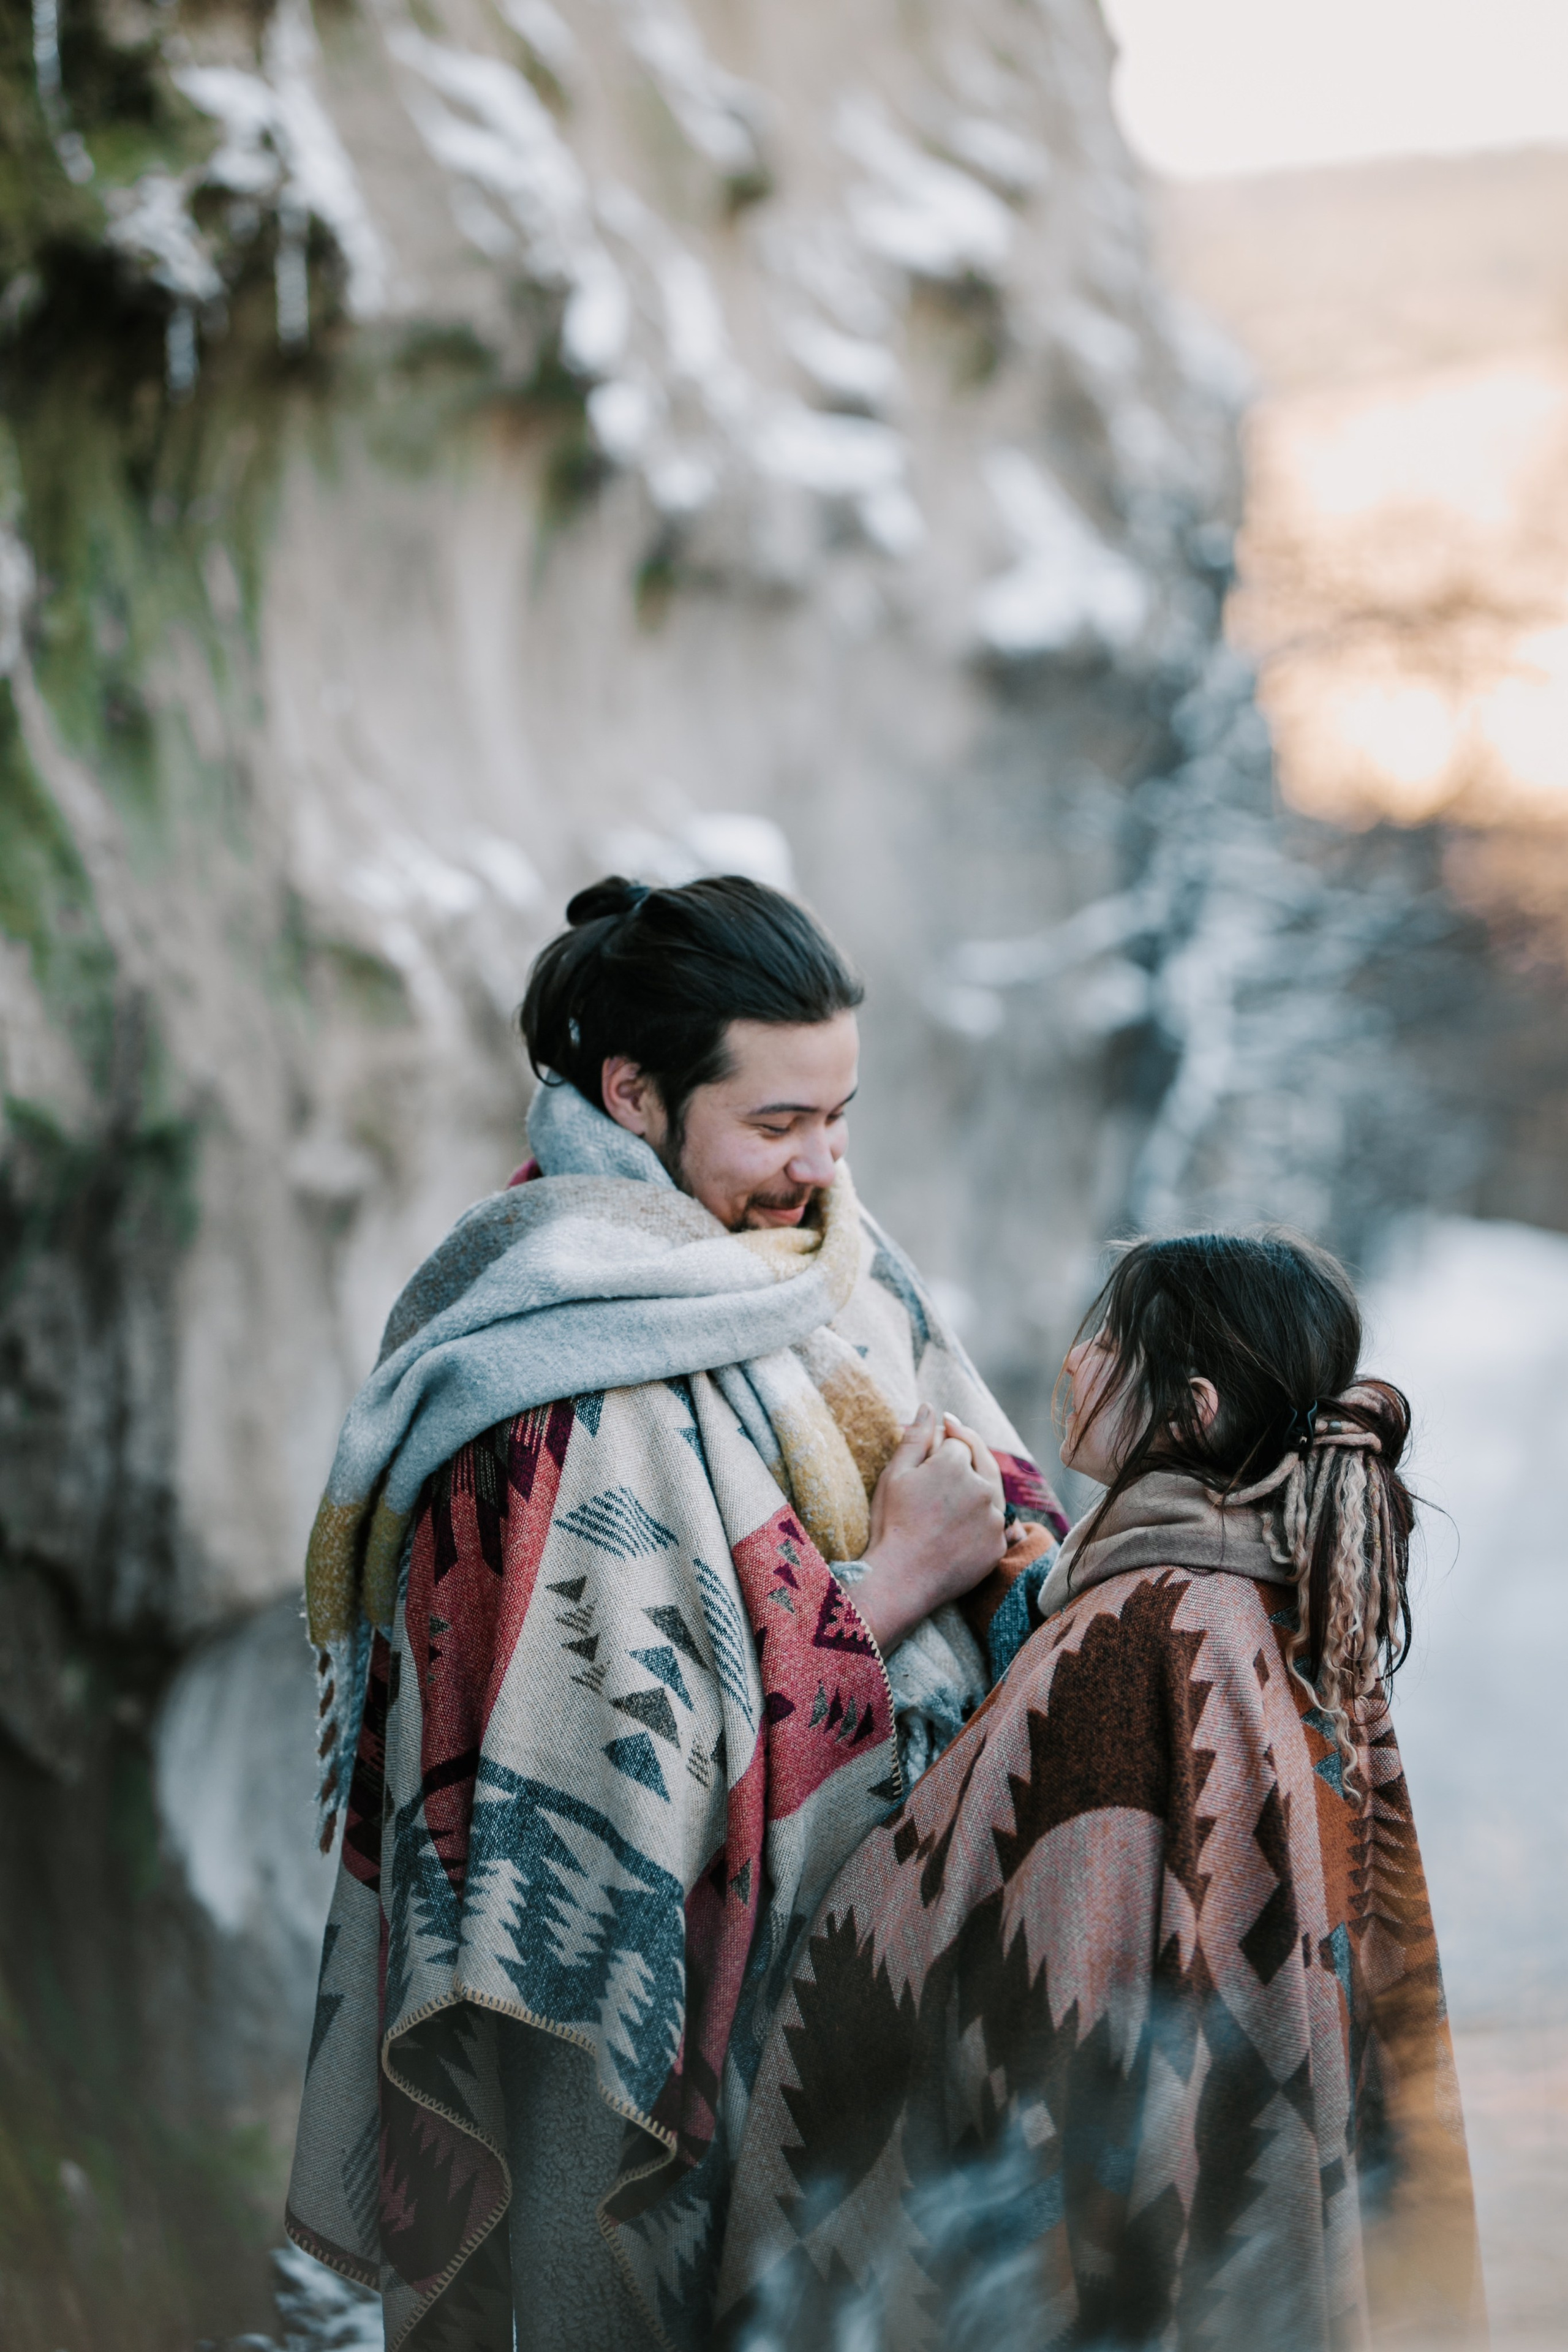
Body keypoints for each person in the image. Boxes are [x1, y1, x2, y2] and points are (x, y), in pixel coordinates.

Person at [284, 876, 1066, 2352]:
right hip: (642, 2066)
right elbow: (593, 1787)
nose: (821, 1165)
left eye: (839, 1114)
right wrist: (899, 1580)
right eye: (776, 1124)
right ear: (631, 1093)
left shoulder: (829, 1265)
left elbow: (1012, 1521)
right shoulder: (535, 1373)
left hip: (867, 2004)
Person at [717, 1232, 1485, 2352]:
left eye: (1109, 1341)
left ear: (1192, 1407)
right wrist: (1023, 1604)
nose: (1075, 1364)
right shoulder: (1263, 1597)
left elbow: (1049, 1961)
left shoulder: (1159, 1634)